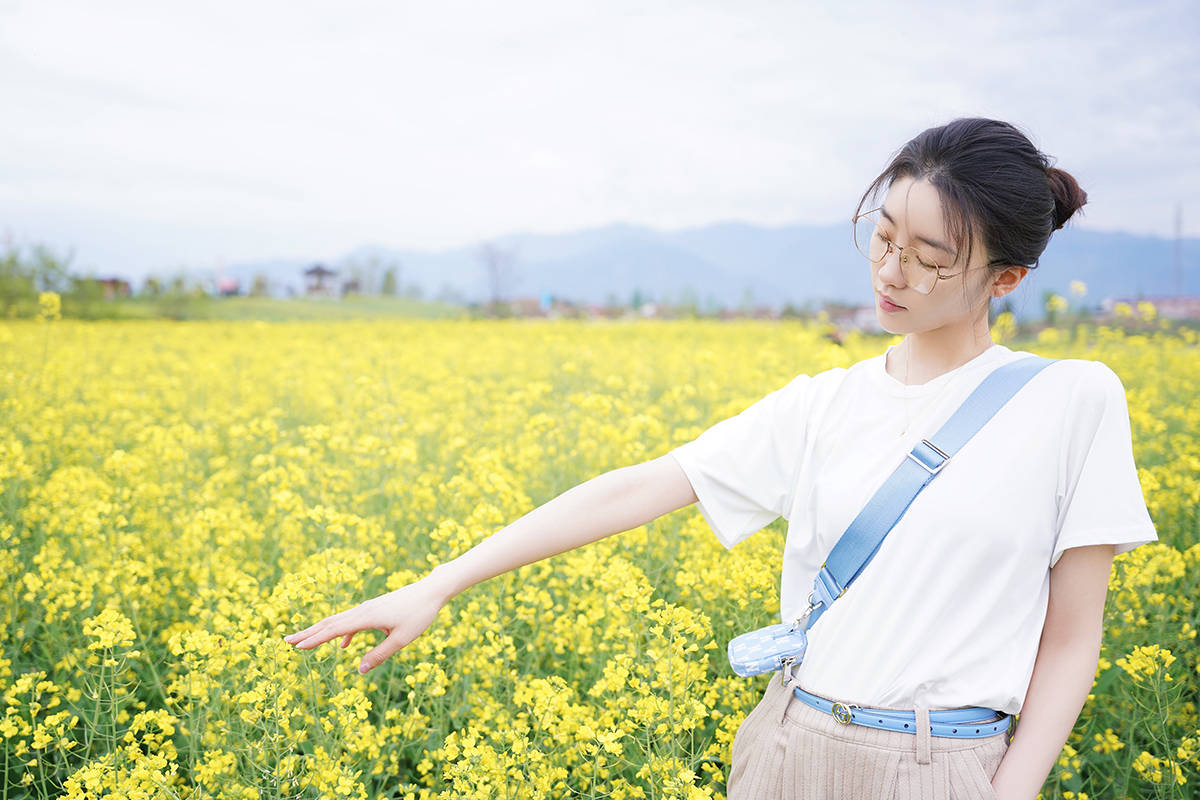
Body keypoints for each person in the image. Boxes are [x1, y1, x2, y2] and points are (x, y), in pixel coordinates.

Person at [283, 117, 1159, 799]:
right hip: (788, 746)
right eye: (882, 235)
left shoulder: (1071, 401)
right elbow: (633, 489)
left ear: (1004, 279)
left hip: (946, 765)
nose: (890, 272)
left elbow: (1073, 638)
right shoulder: (825, 404)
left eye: (929, 259)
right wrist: (437, 583)